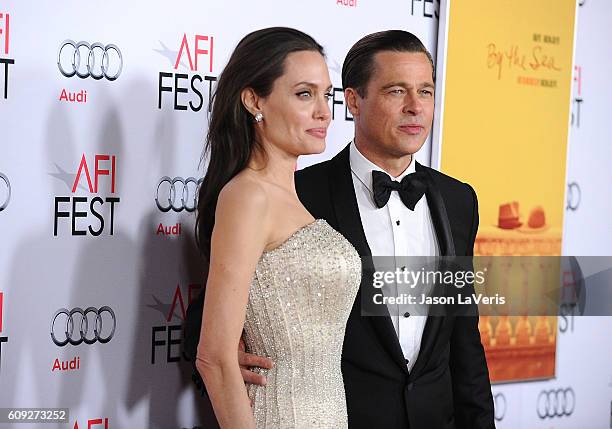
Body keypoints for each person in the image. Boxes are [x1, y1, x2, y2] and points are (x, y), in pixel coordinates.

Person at [185, 29, 495, 429]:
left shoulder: (459, 201)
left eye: (426, 91)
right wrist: (228, 353)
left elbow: (463, 335)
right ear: (354, 100)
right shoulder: (300, 194)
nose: (415, 107)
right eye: (397, 91)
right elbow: (215, 321)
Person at [193, 27, 362, 428]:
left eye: (326, 94)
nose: (324, 112)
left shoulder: (293, 197)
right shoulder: (247, 196)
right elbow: (214, 357)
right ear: (254, 100)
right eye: (305, 94)